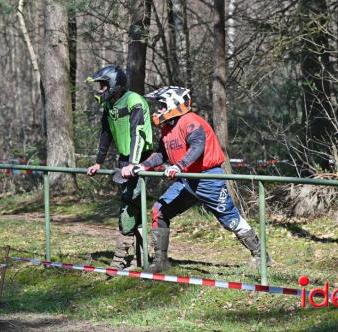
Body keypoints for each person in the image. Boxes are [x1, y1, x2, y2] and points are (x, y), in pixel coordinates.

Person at [130, 86, 270, 273]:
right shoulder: (167, 129)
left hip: (208, 179)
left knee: (231, 220)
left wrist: (178, 166)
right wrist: (143, 165)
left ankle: (261, 255)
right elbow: (161, 154)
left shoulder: (191, 121)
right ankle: (160, 260)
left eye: (162, 105)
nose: (159, 110)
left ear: (174, 104)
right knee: (159, 211)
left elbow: (197, 146)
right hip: (185, 180)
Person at [86, 65, 153, 270]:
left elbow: (138, 133)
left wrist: (134, 164)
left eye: (104, 85)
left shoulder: (134, 101)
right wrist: (99, 161)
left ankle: (124, 256)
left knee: (130, 203)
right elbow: (105, 134)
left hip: (141, 158)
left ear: (114, 84)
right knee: (132, 205)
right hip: (125, 160)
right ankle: (141, 258)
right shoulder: (109, 106)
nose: (101, 89)